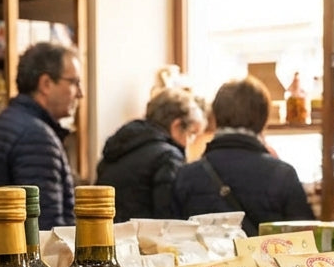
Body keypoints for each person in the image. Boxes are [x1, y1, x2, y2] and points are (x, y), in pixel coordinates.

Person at [171, 75, 314, 236]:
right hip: (264, 261)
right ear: (263, 118)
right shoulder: (282, 174)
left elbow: (173, 240)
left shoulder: (187, 175)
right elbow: (305, 240)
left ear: (216, 115)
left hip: (206, 262)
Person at [0, 42, 79, 231]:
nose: (80, 93)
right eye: (73, 82)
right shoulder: (37, 137)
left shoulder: (1, 124)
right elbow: (46, 229)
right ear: (46, 84)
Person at [95, 86, 205, 220]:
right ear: (176, 126)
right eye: (192, 133)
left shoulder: (119, 146)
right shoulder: (169, 157)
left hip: (107, 234)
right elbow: (167, 219)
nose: (191, 142)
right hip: (143, 238)